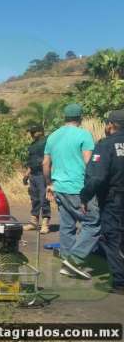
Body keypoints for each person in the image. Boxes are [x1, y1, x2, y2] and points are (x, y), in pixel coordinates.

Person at [43, 103, 99, 279]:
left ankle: (67, 263)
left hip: (59, 187)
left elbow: (45, 164)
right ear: (80, 118)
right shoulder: (84, 135)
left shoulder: (52, 136)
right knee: (94, 222)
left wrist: (49, 183)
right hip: (78, 187)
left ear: (64, 118)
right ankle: (75, 260)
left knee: (67, 226)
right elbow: (89, 164)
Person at [80, 109, 124, 294]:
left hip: (114, 200)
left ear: (111, 125)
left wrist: (85, 196)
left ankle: (120, 282)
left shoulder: (106, 145)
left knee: (112, 238)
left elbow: (97, 178)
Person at [23, 125, 51, 234]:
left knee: (44, 199)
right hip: (33, 175)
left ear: (40, 132)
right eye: (31, 132)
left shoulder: (46, 143)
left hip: (42, 174)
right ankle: (33, 222)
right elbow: (31, 162)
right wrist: (26, 175)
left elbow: (49, 159)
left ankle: (45, 223)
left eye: (34, 132)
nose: (31, 134)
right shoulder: (32, 145)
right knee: (34, 199)